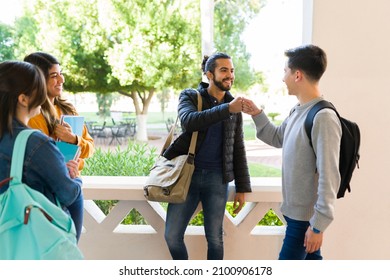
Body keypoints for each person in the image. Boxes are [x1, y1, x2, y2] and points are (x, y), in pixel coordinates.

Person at [242, 44, 341, 260]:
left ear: (297, 75)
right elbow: (277, 137)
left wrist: (318, 226)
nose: (282, 78)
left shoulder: (323, 117)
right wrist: (256, 113)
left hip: (305, 219)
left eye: (285, 71)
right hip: (295, 215)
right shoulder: (298, 110)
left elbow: (330, 175)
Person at [163, 52, 251, 260]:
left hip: (217, 180)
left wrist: (242, 187)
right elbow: (190, 121)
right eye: (224, 70)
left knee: (215, 239)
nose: (229, 75)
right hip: (187, 175)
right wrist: (227, 109)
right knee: (172, 236)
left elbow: (237, 147)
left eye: (231, 70)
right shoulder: (191, 96)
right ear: (209, 75)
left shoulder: (234, 105)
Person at [0, 61, 83, 241]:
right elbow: (68, 194)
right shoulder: (35, 143)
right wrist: (74, 178)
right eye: (39, 88)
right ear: (23, 99)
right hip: (32, 238)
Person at [24, 52, 94, 241]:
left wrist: (73, 139)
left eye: (60, 73)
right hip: (45, 193)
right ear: (37, 79)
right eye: (54, 76)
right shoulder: (31, 116)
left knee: (71, 248)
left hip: (71, 186)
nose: (61, 79)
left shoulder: (68, 110)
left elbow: (90, 148)